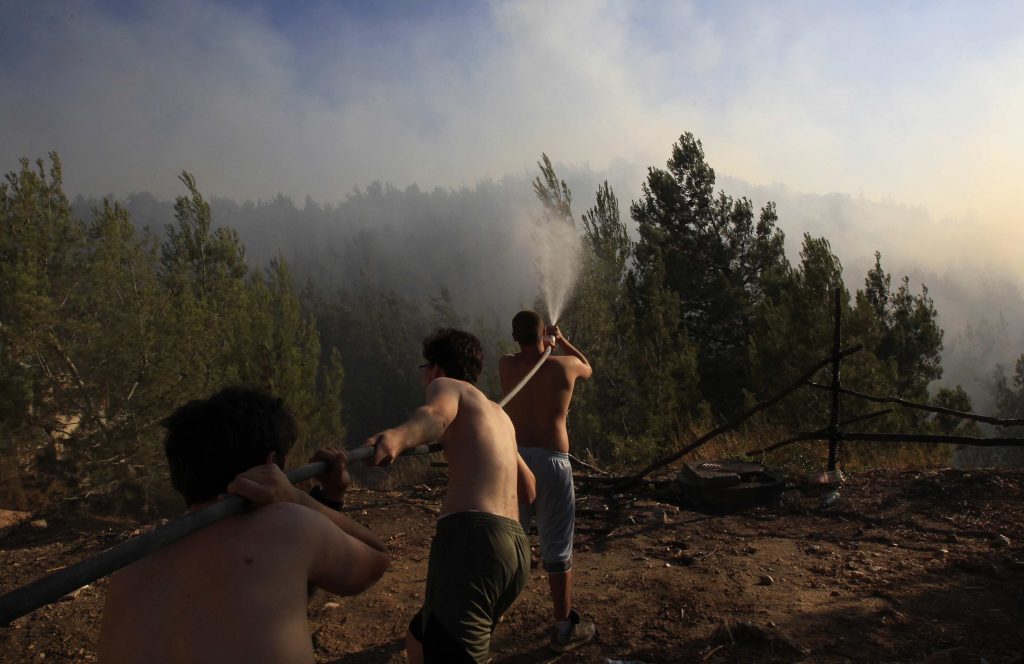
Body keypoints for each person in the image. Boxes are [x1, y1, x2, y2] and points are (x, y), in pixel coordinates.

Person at [97, 387, 389, 664]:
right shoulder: (289, 525)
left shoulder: (130, 566)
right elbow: (375, 557)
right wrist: (298, 497)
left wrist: (330, 496)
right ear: (271, 464)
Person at [365, 328, 536, 664]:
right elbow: (528, 487)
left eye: (424, 370)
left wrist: (399, 437)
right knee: (421, 635)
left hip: (472, 544)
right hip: (514, 553)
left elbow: (436, 416)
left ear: (437, 370)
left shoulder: (446, 387)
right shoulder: (499, 416)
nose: (425, 379)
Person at [498, 310, 595, 652]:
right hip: (553, 463)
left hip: (516, 461)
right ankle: (565, 628)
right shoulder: (563, 366)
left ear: (514, 336)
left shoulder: (506, 366)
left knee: (510, 541)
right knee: (556, 547)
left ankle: (490, 615)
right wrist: (562, 341)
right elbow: (587, 366)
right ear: (544, 334)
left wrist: (543, 345)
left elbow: (525, 364)